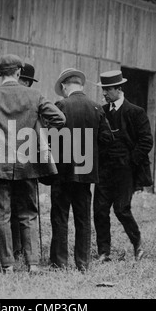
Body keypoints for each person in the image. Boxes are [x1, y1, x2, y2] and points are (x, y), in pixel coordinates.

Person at [0, 54, 66, 274]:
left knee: (1, 213)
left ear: (0, 73)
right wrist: (37, 136)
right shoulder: (34, 95)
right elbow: (60, 119)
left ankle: (7, 264)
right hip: (27, 161)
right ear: (19, 72)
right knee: (28, 213)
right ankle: (33, 264)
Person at [49, 68, 113, 272]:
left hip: (63, 172)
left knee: (60, 216)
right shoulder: (96, 107)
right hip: (86, 173)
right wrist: (93, 156)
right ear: (81, 86)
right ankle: (83, 263)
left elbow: (51, 137)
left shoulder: (61, 105)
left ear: (66, 86)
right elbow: (107, 139)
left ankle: (60, 262)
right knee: (83, 218)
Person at [94, 70, 153, 262]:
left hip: (126, 171)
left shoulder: (136, 112)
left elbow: (146, 141)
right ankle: (104, 252)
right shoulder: (101, 111)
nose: (104, 93)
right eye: (103, 89)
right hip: (104, 170)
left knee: (121, 209)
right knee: (100, 210)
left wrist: (130, 162)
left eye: (107, 89)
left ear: (119, 89)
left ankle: (138, 245)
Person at [12, 62, 39, 259]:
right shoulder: (33, 100)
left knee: (17, 208)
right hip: (25, 161)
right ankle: (25, 252)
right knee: (24, 209)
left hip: (8, 160)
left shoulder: (7, 97)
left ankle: (19, 249)